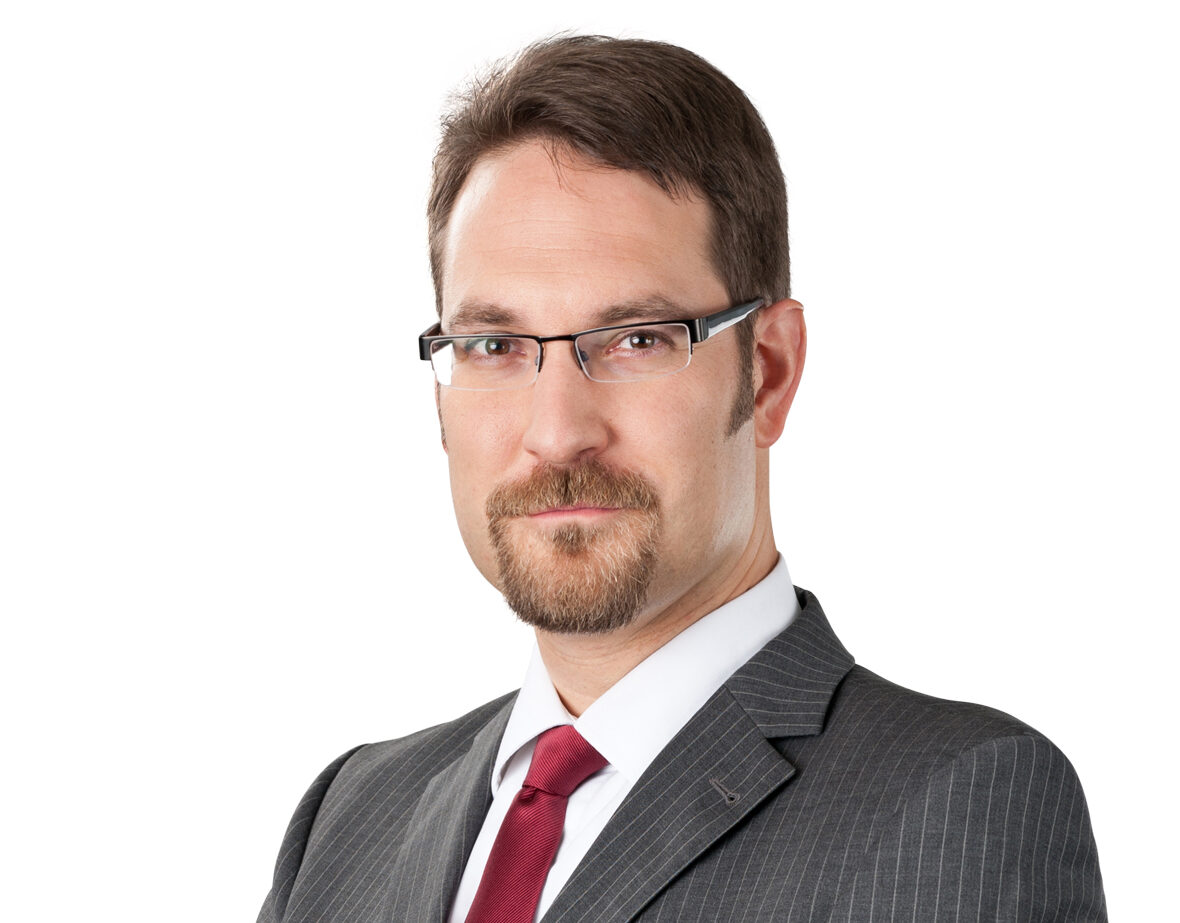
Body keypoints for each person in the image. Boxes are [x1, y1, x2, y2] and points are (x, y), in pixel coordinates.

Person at [257, 35, 1106, 922]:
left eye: (637, 340)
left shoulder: (955, 803)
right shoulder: (349, 817)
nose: (557, 434)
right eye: (493, 345)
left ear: (768, 371)